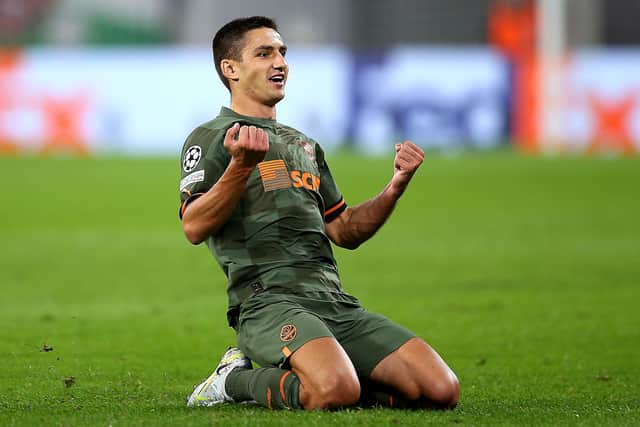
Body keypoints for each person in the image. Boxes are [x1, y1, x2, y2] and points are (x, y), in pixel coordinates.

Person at [179, 16, 459, 411]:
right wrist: (241, 165)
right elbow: (193, 226)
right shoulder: (213, 137)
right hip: (268, 302)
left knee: (440, 390)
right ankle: (233, 380)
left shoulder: (304, 145)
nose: (279, 62)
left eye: (282, 52)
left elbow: (345, 229)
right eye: (264, 53)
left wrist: (395, 186)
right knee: (333, 391)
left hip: (334, 302)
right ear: (231, 69)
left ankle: (336, 367)